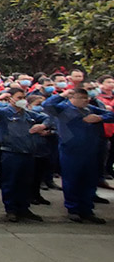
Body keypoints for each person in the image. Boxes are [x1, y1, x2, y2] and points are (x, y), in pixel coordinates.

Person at [42, 88, 114, 224]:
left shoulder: (90, 109)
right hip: (71, 150)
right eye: (81, 98)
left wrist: (100, 118)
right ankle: (73, 209)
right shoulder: (63, 109)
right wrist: (62, 94)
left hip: (91, 150)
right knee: (72, 180)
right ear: (72, 98)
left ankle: (87, 210)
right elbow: (47, 105)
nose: (85, 101)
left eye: (86, 98)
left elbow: (111, 115)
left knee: (89, 181)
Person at [0, 89, 47, 222]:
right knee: (10, 182)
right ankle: (11, 209)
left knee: (26, 182)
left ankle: (24, 208)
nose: (22, 100)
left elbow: (48, 118)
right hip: (11, 152)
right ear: (11, 99)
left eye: (24, 97)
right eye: (19, 97)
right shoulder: (4, 113)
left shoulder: (29, 114)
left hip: (28, 152)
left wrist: (43, 126)